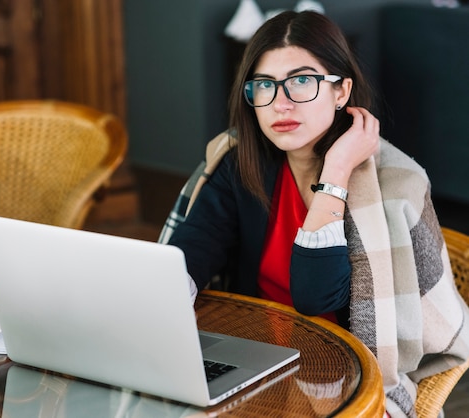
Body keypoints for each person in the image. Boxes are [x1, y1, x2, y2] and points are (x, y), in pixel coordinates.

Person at [166, 10, 469, 418]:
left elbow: (315, 297)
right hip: (256, 357)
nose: (282, 103)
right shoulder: (240, 161)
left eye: (302, 82)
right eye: (264, 86)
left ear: (342, 91)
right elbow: (192, 250)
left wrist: (337, 171)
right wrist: (161, 297)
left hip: (341, 371)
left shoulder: (397, 185)